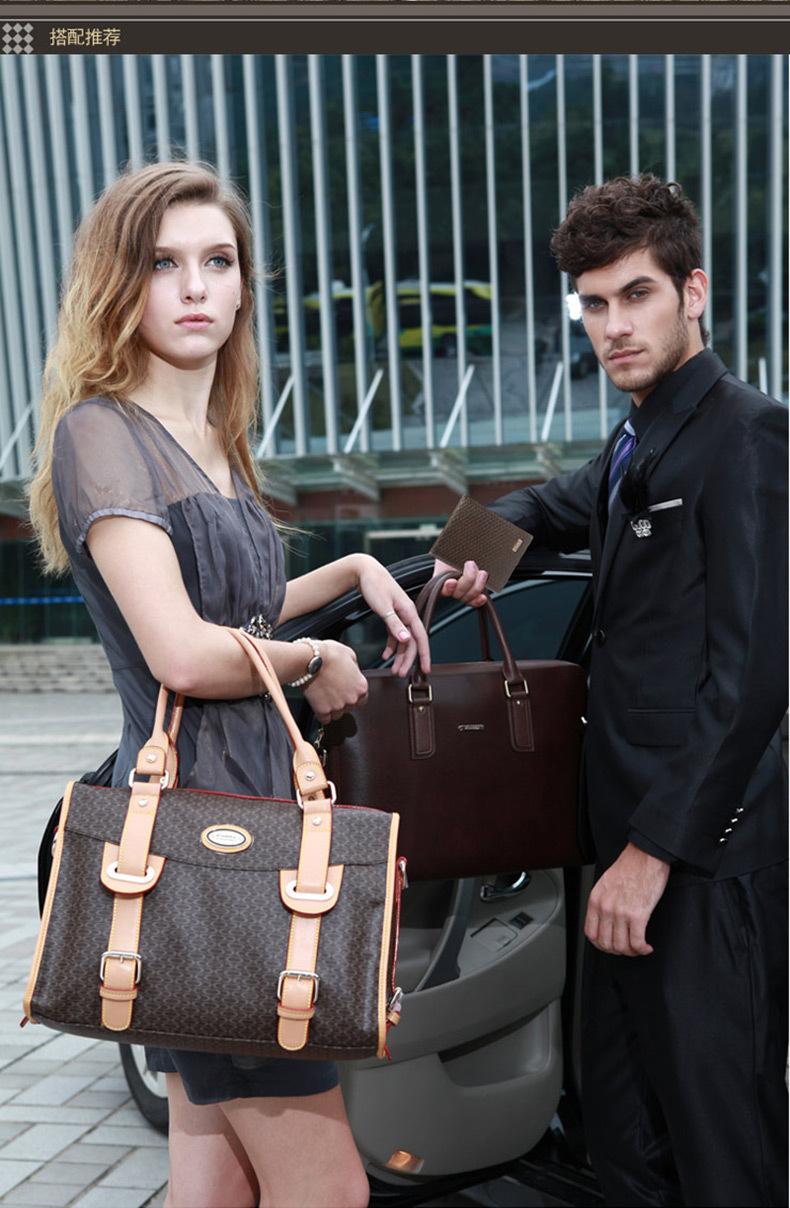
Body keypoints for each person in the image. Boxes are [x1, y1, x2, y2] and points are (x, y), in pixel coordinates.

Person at [29, 160, 430, 1208]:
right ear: (118, 283)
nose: (196, 286)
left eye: (218, 260)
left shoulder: (214, 440)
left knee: (213, 1184)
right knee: (329, 1188)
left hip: (245, 829)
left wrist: (350, 569)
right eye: (163, 264)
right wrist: (317, 660)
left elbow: (238, 610)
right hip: (203, 854)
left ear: (247, 284)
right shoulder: (102, 432)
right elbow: (181, 651)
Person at [438, 175, 787, 1207]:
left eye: (636, 295)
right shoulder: (637, 439)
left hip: (701, 865)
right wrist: (463, 551)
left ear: (694, 292)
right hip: (617, 857)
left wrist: (649, 856)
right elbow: (549, 504)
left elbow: (754, 678)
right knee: (624, 1145)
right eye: (593, 304)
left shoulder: (748, 434)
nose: (613, 326)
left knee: (722, 1150)